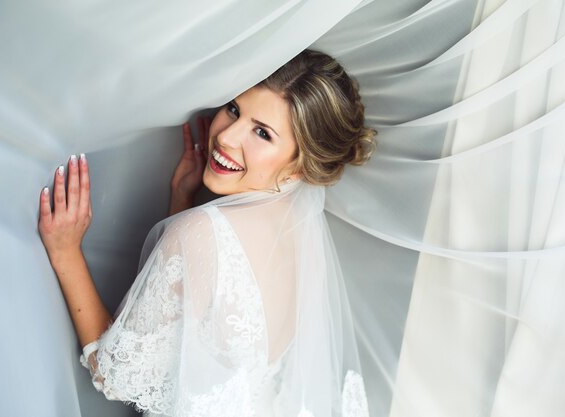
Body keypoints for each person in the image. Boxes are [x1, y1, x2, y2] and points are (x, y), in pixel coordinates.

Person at [38, 49, 376, 417]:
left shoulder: (197, 234)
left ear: (299, 167)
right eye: (233, 108)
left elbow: (113, 375)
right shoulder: (303, 237)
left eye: (262, 133)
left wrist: (65, 251)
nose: (227, 136)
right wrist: (182, 196)